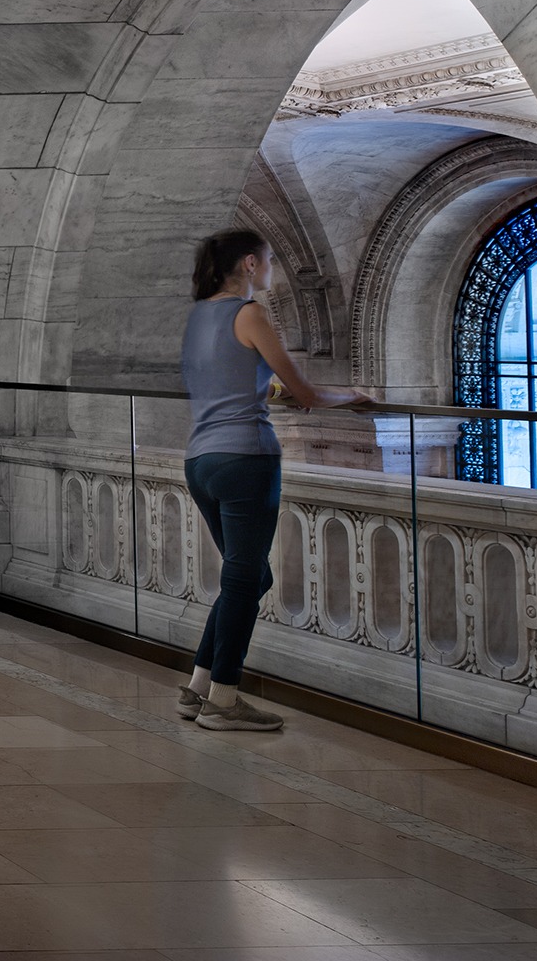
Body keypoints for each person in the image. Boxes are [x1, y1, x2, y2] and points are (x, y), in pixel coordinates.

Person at [178, 228, 371, 732]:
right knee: (244, 578)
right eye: (266, 261)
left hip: (200, 461)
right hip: (247, 459)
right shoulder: (250, 313)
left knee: (250, 577)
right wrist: (350, 395)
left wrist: (267, 391)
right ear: (248, 264)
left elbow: (223, 384)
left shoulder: (198, 317)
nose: (270, 271)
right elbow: (307, 392)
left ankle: (198, 688)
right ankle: (224, 700)